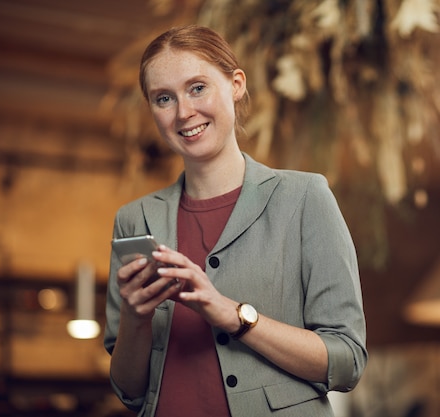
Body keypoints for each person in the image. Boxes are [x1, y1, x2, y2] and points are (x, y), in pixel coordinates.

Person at [103, 25, 368, 417]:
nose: (183, 112)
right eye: (164, 98)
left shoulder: (305, 198)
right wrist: (136, 318)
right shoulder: (135, 220)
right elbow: (128, 391)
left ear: (236, 84)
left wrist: (233, 315)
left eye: (197, 88)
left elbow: (346, 362)